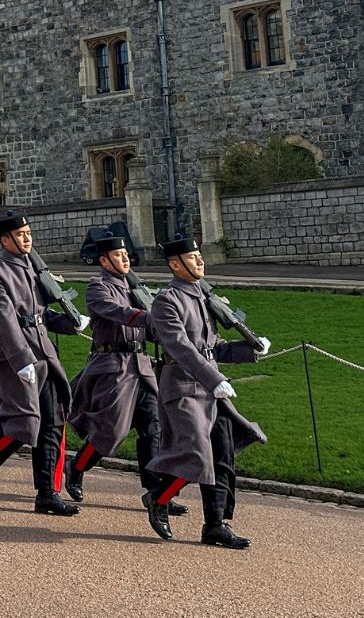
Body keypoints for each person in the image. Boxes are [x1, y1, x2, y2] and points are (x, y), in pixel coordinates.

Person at [144, 235, 264, 549]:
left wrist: (250, 349)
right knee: (196, 454)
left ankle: (216, 524)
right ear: (175, 264)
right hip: (183, 388)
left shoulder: (203, 297)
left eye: (199, 256)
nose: (200, 261)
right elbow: (181, 348)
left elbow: (212, 347)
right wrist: (214, 379)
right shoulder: (166, 300)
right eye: (193, 257)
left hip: (211, 388)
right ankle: (159, 497)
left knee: (222, 456)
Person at [64, 229, 186, 516]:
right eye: (118, 256)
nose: (125, 260)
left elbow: (151, 327)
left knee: (152, 428)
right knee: (112, 430)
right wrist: (152, 316)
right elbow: (117, 312)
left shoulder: (136, 287)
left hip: (142, 366)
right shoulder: (98, 287)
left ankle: (155, 492)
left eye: (126, 255)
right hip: (113, 367)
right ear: (104, 261)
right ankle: (76, 466)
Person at [0, 209, 88, 516]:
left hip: (45, 354)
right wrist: (21, 360)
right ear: (5, 239)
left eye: (29, 234)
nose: (28, 239)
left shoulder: (35, 270)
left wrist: (71, 323)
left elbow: (42, 317)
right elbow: (3, 322)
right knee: (22, 423)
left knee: (53, 422)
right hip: (16, 358)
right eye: (21, 235)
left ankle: (48, 493)